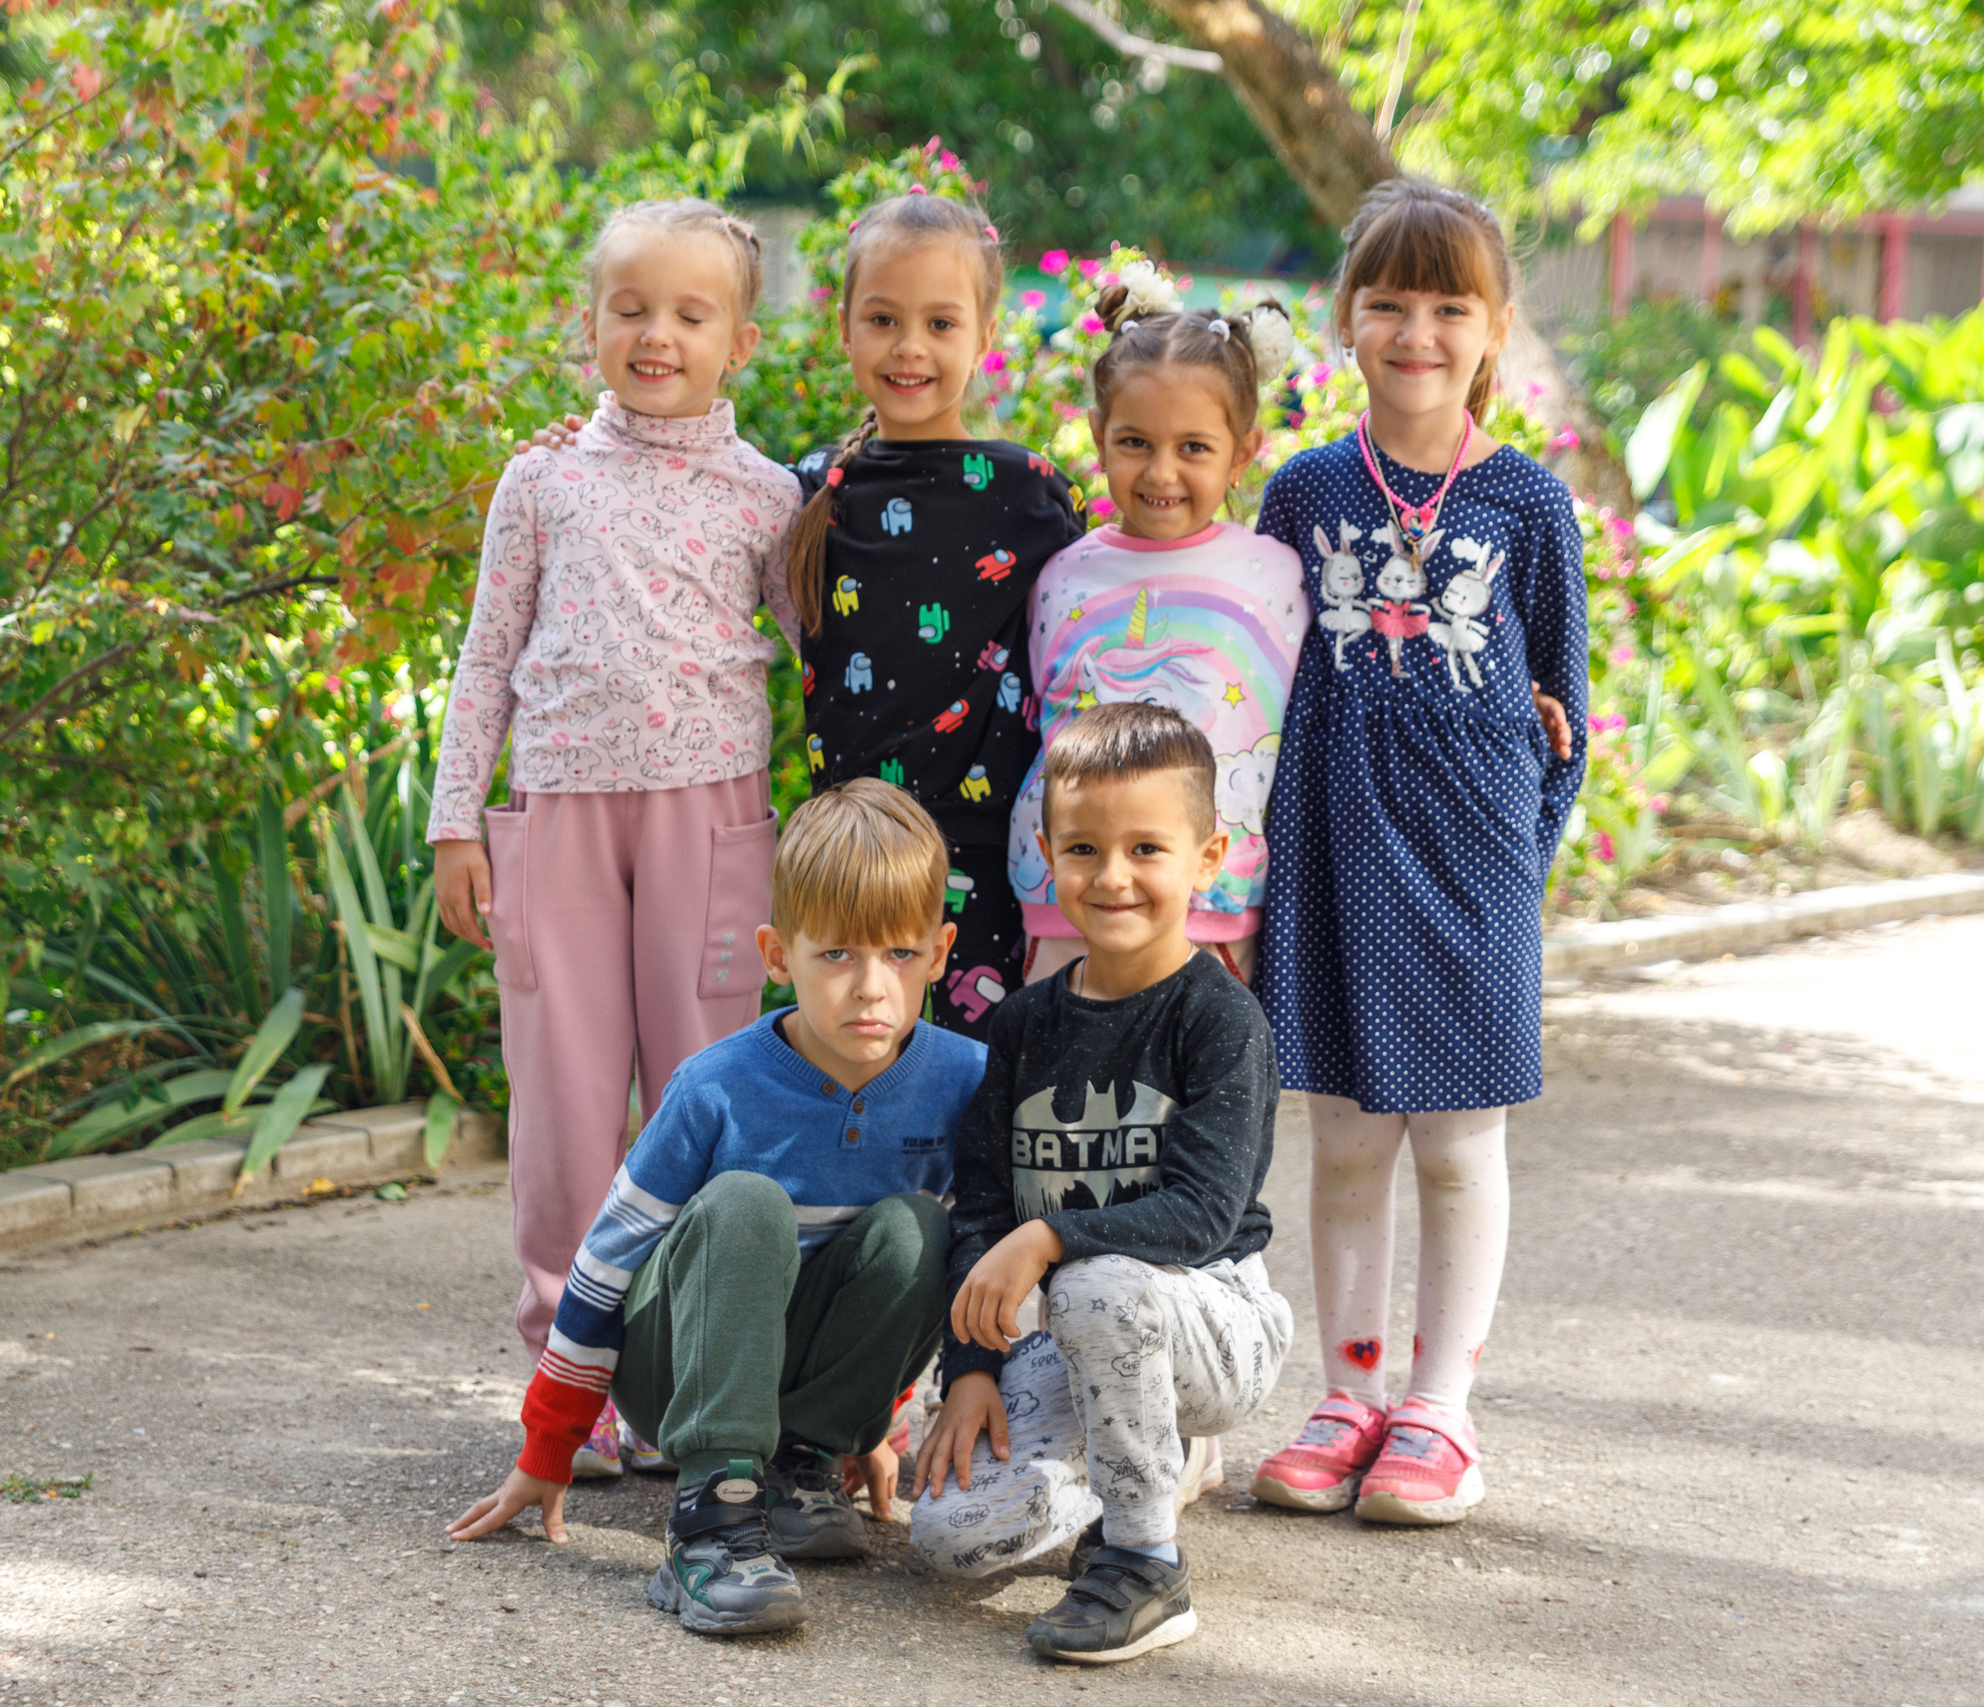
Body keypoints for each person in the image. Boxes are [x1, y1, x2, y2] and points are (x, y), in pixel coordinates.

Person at [425, 198, 802, 1480]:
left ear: (738, 341)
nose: (656, 334)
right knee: (566, 1108)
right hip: (560, 824)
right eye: (629, 308)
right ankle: (565, 1379)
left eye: (689, 314)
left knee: (703, 1100)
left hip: (713, 823)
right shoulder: (540, 482)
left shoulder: (773, 498)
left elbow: (823, 655)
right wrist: (454, 824)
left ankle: (681, 1377)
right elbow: (486, 660)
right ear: (589, 325)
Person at [446, 779, 986, 1638]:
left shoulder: (963, 1080)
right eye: (837, 955)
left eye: (901, 955)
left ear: (942, 949)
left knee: (924, 1229)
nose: (872, 988)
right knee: (746, 1202)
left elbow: (963, 1273)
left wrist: (878, 1422)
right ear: (777, 953)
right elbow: (603, 1263)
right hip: (681, 1367)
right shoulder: (716, 1086)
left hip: (806, 1373)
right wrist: (548, 1449)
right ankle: (712, 1514)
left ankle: (801, 1462)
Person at [1247, 178, 1588, 1527]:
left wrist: (1517, 866)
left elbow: (1563, 710)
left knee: (1457, 1140)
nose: (1417, 330)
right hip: (1328, 847)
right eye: (1389, 300)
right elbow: (1256, 668)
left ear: (1494, 326)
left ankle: (1441, 1408)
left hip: (1471, 858)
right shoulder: (1305, 489)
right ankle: (1347, 1391)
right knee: (1343, 1138)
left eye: (1450, 305)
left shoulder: (1527, 501)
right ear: (1347, 316)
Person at [909, 702, 1293, 1666]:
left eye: (1148, 848)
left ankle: (1146, 1564)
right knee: (950, 1534)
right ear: (1045, 853)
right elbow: (986, 1210)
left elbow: (1203, 1211)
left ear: (1208, 857)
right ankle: (1141, 1475)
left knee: (1095, 1276)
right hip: (1085, 1341)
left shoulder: (1220, 1020)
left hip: (1214, 1322)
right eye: (1083, 847)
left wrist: (1048, 1240)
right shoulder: (1024, 1025)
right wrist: (972, 1375)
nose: (1112, 876)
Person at [779, 188, 1083, 1041]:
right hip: (852, 850)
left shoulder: (1029, 491)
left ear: (985, 336)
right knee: (861, 1059)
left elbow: (1089, 627)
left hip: (987, 850)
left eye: (941, 324)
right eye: (882, 319)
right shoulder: (805, 490)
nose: (910, 348)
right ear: (843, 328)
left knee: (982, 1078)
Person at [1007, 266, 1308, 992]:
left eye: (1194, 448)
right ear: (1098, 436)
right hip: (1066, 904)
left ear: (1243, 450)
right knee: (1061, 1098)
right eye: (1136, 442)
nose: (1161, 471)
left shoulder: (1277, 578)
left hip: (1211, 910)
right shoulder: (1063, 574)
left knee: (1203, 1098)